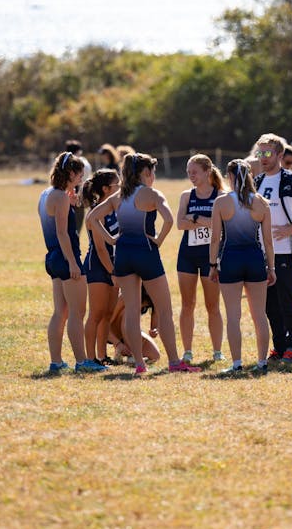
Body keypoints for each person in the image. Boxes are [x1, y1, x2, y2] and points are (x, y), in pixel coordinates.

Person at [86, 153, 201, 375]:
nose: (154, 176)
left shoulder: (118, 196)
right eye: (153, 172)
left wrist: (111, 239)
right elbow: (168, 219)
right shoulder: (152, 194)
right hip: (146, 253)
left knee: (131, 310)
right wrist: (158, 240)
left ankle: (139, 364)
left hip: (123, 255)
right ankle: (175, 362)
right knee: (165, 310)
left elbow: (92, 219)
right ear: (146, 173)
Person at [253, 133, 292, 365]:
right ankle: (279, 346)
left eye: (268, 153)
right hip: (262, 252)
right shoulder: (257, 181)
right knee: (269, 303)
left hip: (285, 251)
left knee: (287, 299)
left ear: (280, 155)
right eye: (260, 153)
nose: (263, 158)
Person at [40, 152, 105, 374]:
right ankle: (82, 361)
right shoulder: (60, 197)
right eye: (79, 175)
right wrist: (73, 263)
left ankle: (56, 362)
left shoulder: (48, 194)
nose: (81, 179)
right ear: (70, 173)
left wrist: (70, 201)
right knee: (78, 313)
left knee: (61, 312)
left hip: (53, 259)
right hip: (66, 257)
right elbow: (62, 232)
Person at [209, 159, 276, 375]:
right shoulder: (261, 202)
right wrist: (271, 268)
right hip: (255, 259)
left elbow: (215, 240)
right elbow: (268, 243)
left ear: (229, 176)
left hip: (230, 259)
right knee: (259, 315)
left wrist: (212, 265)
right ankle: (262, 362)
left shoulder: (221, 203)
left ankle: (237, 363)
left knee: (233, 316)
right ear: (249, 175)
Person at [175, 155, 225, 363]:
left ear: (207, 171)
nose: (191, 176)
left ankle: (217, 352)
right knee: (187, 304)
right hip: (187, 255)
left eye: (194, 172)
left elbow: (220, 227)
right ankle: (187, 351)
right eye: (188, 172)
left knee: (212, 305)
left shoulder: (221, 196)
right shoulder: (187, 196)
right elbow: (179, 223)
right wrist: (206, 222)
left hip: (211, 256)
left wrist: (194, 218)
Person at [81, 169, 121, 365]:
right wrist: (112, 272)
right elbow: (100, 248)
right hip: (98, 265)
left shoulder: (116, 208)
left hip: (114, 266)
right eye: (117, 185)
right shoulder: (97, 211)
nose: (121, 188)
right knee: (96, 314)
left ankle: (103, 356)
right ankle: (90, 359)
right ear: (106, 189)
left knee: (107, 313)